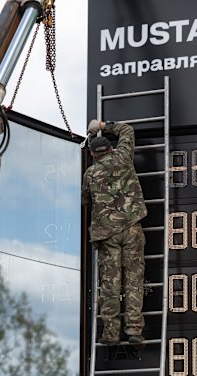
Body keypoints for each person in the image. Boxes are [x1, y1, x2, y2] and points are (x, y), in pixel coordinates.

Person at [81, 119, 147, 345]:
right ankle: (134, 330)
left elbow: (85, 201)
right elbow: (127, 130)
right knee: (134, 280)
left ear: (92, 154)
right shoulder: (123, 157)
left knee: (110, 284)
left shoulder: (90, 175)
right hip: (131, 229)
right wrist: (102, 125)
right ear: (110, 149)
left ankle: (110, 333)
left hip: (107, 235)